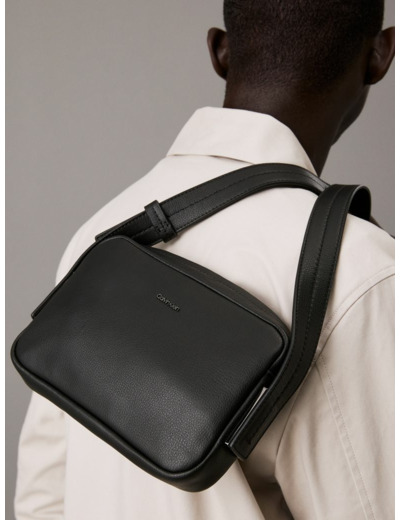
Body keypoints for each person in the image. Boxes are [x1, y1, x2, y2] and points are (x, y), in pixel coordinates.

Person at [14, 1, 395, 519]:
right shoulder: (359, 272)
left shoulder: (103, 233)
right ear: (380, 55)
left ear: (219, 50)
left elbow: (42, 498)